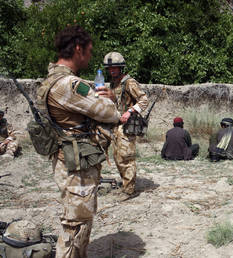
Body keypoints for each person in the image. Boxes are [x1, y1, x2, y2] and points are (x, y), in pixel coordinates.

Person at [39, 26, 120, 258]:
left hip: (71, 159)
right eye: (89, 50)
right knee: (75, 225)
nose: (90, 56)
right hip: (77, 166)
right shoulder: (69, 85)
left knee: (78, 220)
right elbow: (110, 113)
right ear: (78, 49)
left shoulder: (53, 79)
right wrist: (111, 99)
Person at [103, 51, 149, 196]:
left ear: (121, 68)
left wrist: (130, 112)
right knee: (117, 157)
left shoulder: (129, 83)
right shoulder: (113, 84)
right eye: (110, 68)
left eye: (115, 68)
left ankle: (129, 190)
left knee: (126, 158)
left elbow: (144, 100)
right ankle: (126, 184)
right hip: (116, 125)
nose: (112, 70)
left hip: (127, 126)